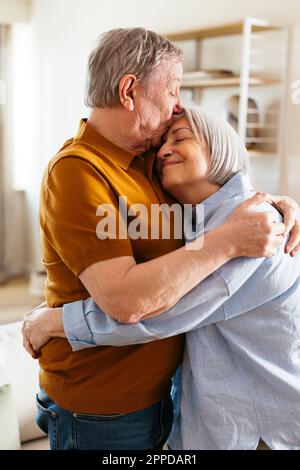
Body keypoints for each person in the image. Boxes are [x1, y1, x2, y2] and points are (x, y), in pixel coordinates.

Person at [23, 27, 300, 451]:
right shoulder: (80, 171)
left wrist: (279, 204)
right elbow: (132, 303)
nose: (178, 106)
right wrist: (229, 237)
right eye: (173, 89)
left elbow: (214, 183)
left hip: (176, 402)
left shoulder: (144, 162)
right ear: (129, 91)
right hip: (104, 406)